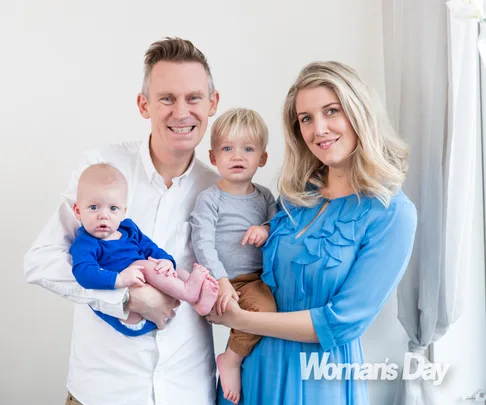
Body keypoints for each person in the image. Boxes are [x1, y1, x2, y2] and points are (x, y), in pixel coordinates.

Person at [207, 61, 418, 405]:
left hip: (318, 380)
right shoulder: (296, 194)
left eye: (331, 111)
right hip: (251, 370)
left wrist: (240, 319)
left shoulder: (392, 213)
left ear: (359, 112)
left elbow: (342, 322)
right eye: (305, 118)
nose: (318, 129)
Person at [24, 37, 220, 405]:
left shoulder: (219, 189)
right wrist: (127, 297)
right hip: (101, 393)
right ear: (144, 105)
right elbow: (41, 261)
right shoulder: (100, 168)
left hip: (189, 392)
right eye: (167, 98)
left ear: (213, 103)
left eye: (193, 98)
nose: (181, 112)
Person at [189, 108, 277, 404]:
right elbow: (202, 242)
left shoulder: (264, 196)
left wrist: (265, 229)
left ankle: (234, 356)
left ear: (262, 158)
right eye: (227, 149)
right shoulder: (210, 198)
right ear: (213, 157)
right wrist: (221, 280)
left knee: (267, 309)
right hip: (224, 279)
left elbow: (278, 226)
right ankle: (231, 360)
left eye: (248, 149)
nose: (237, 156)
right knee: (257, 311)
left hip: (255, 280)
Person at [70, 163, 219, 336]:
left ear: (123, 211)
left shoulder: (128, 229)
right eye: (94, 207)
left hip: (159, 304)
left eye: (113, 208)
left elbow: (150, 248)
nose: (103, 215)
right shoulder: (85, 243)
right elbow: (83, 273)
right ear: (78, 210)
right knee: (143, 265)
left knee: (173, 268)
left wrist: (166, 261)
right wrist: (119, 279)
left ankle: (198, 301)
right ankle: (188, 291)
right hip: (129, 315)